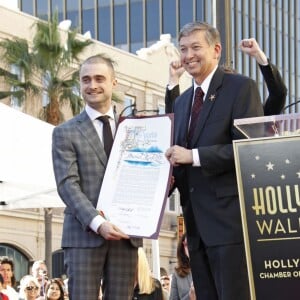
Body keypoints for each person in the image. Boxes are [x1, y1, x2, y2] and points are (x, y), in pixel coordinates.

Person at [165, 21, 264, 300]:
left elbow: (249, 150)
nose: (189, 55)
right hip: (195, 229)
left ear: (216, 50)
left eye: (196, 47)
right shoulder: (182, 102)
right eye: (183, 49)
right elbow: (177, 152)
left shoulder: (241, 88)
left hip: (229, 224)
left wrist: (193, 156)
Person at [52, 53, 142, 300]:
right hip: (84, 235)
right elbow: (67, 185)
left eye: (99, 78)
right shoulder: (65, 132)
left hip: (126, 236)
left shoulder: (135, 130)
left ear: (114, 83)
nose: (92, 85)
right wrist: (97, 222)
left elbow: (143, 177)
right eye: (86, 79)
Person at [165, 38, 287, 116]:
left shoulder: (253, 111)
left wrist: (259, 56)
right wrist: (174, 79)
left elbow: (278, 94)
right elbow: (174, 121)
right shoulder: (200, 112)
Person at [169, 233, 193, 300]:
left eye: (194, 244)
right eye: (187, 244)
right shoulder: (177, 273)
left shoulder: (211, 269)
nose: (190, 248)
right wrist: (190, 295)